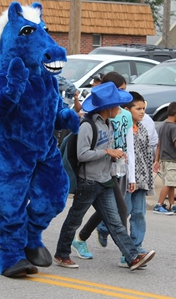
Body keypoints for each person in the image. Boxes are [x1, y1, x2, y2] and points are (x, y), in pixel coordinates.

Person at [53, 82, 156, 271]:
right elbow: (83, 154)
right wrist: (108, 152)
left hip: (105, 180)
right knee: (75, 219)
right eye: (117, 105)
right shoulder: (88, 125)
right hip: (89, 181)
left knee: (115, 221)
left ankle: (132, 256)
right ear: (107, 108)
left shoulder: (108, 124)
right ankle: (62, 254)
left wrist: (115, 156)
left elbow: (104, 151)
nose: (120, 108)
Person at [72, 72, 135, 259]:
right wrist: (109, 153)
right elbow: (84, 149)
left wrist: (130, 173)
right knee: (119, 208)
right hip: (95, 169)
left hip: (117, 165)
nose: (122, 95)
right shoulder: (95, 116)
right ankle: (128, 254)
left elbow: (129, 143)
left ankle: (81, 238)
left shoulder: (124, 114)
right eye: (120, 90)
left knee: (108, 209)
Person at [117, 91, 153, 266]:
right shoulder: (122, 129)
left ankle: (136, 247)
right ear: (126, 109)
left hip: (141, 180)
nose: (142, 112)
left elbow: (148, 156)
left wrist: (149, 182)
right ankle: (104, 229)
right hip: (126, 179)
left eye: (143, 108)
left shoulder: (144, 129)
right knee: (125, 212)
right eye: (138, 108)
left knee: (139, 214)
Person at [153, 102, 176, 214]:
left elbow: (159, 144)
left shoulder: (163, 126)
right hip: (172, 160)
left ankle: (172, 205)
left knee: (171, 183)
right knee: (169, 183)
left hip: (164, 160)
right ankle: (159, 205)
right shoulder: (174, 128)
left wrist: (156, 160)